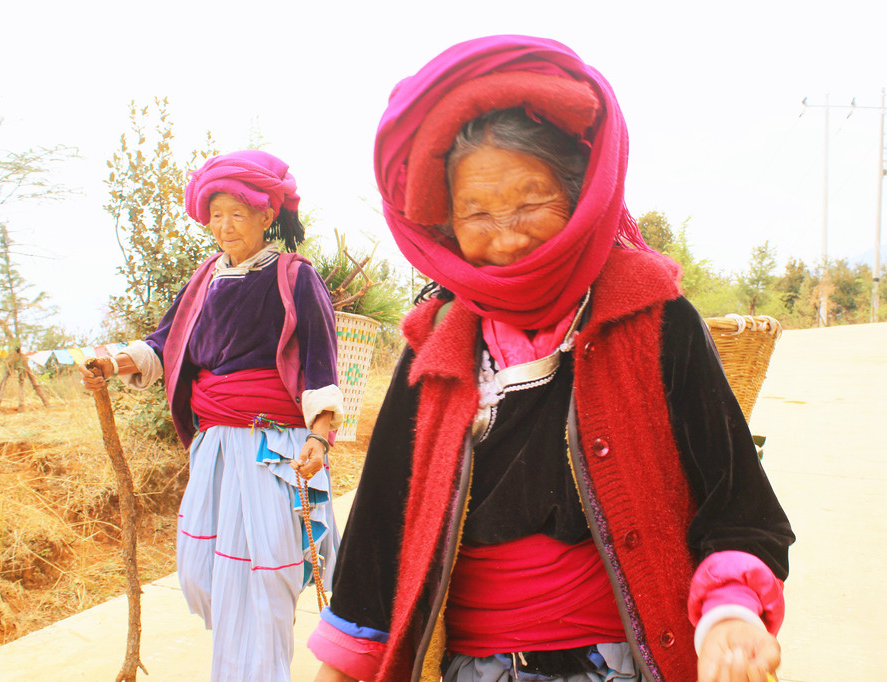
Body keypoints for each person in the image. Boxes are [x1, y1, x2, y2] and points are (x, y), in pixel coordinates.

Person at [308, 36, 794, 682]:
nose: (505, 235)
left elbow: (740, 511)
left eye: (530, 202)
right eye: (476, 212)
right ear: (447, 224)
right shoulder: (435, 355)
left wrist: (730, 615)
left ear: (580, 194)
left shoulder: (656, 323)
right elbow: (375, 549)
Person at [79, 149, 343, 681]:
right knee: (207, 575)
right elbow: (166, 343)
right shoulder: (205, 278)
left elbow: (320, 359)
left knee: (266, 578)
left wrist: (319, 436)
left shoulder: (294, 277)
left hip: (272, 446)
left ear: (268, 215)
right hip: (216, 447)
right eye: (215, 214)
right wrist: (113, 362)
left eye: (236, 214)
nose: (223, 226)